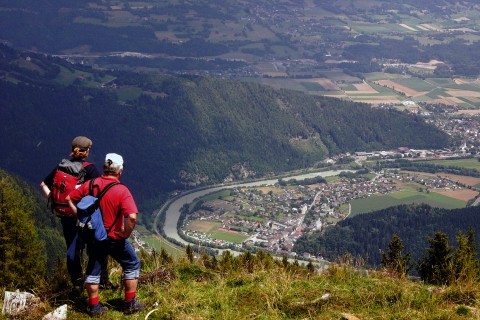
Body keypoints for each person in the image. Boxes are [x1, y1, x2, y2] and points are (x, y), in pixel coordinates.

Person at [66, 153, 145, 317]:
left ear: (104, 168)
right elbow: (132, 217)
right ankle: (130, 303)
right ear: (120, 171)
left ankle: (94, 308)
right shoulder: (122, 190)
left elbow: (69, 198)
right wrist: (125, 233)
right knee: (132, 263)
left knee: (93, 271)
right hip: (114, 238)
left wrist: (79, 218)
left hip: (94, 237)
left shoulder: (91, 184)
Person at [40, 136, 116, 293]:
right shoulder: (89, 169)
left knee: (72, 249)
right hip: (84, 217)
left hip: (66, 217)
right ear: (86, 151)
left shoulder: (61, 166)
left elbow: (43, 184)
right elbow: (99, 192)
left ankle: (77, 283)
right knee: (97, 247)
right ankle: (101, 281)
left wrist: (55, 202)